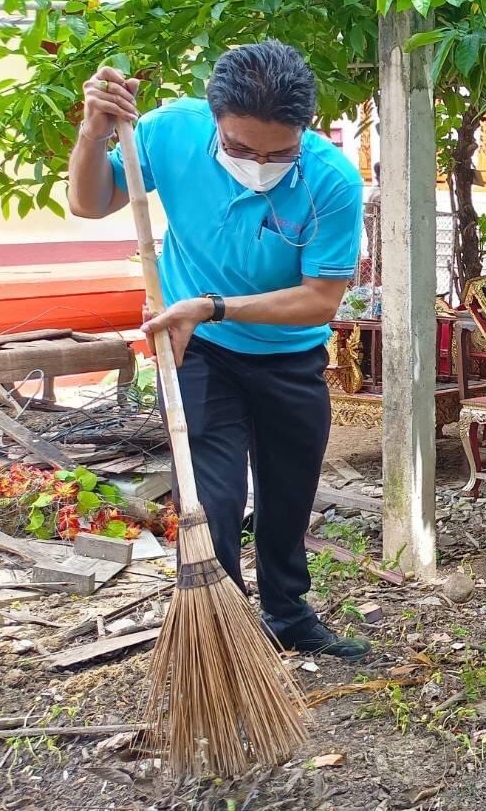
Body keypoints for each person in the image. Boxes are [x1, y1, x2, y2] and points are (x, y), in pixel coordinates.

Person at [69, 41, 369, 659]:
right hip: (198, 349)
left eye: (278, 153)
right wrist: (93, 132)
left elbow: (319, 300)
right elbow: (90, 202)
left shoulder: (331, 180)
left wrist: (213, 303)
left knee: (289, 493)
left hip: (289, 354)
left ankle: (287, 613)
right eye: (240, 148)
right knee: (213, 496)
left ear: (303, 133)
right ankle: (224, 633)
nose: (259, 164)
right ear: (214, 120)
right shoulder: (168, 133)